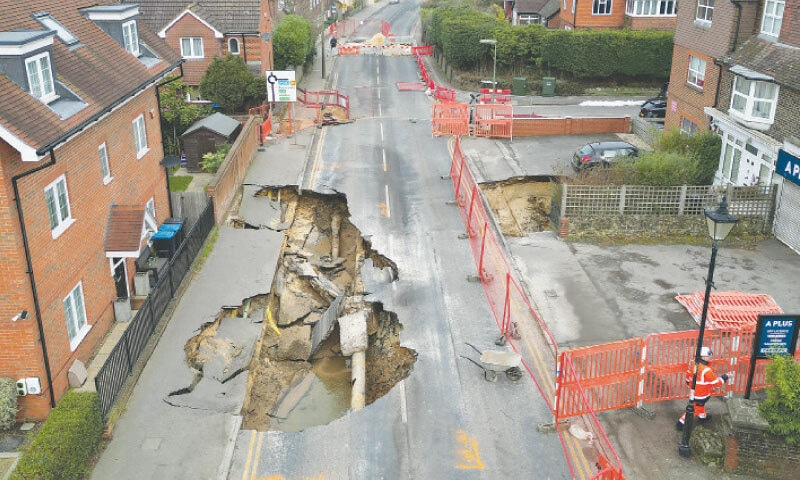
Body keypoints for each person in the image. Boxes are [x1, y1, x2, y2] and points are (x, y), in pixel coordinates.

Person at [676, 346, 733, 430]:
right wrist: (725, 376)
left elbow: (688, 376)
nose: (711, 356)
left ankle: (702, 416)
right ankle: (681, 423)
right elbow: (716, 383)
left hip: (695, 392)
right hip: (702, 394)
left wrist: (689, 385)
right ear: (703, 357)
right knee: (695, 408)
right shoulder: (706, 370)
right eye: (709, 355)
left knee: (699, 406)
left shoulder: (693, 364)